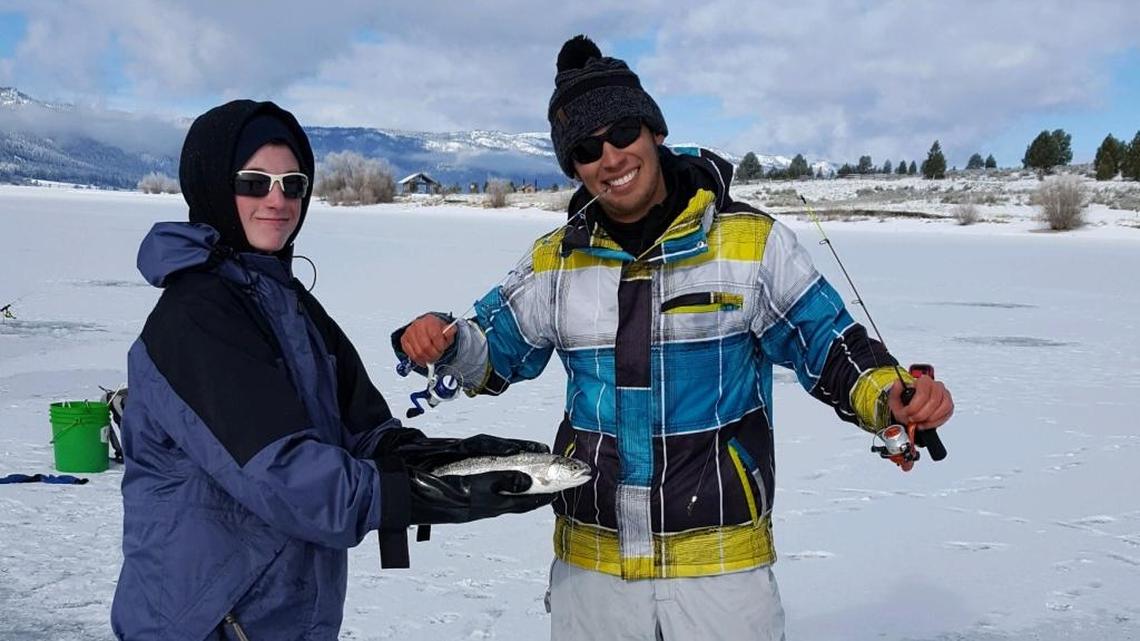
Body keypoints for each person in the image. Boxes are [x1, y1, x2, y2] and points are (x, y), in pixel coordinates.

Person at [395, 36, 954, 641]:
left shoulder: (749, 244)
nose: (610, 157)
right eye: (586, 148)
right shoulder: (555, 262)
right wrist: (444, 342)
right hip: (594, 568)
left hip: (719, 567)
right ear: (574, 167)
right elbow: (494, 352)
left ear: (654, 132)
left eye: (623, 132)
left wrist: (888, 396)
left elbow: (827, 343)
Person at [111, 99, 553, 641]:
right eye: (254, 182)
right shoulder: (196, 318)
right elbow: (284, 476)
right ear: (211, 187)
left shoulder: (288, 303)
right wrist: (414, 495)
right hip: (205, 622)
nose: (277, 200)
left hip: (281, 615)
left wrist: (442, 459)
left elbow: (363, 429)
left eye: (292, 184)